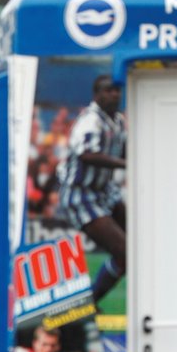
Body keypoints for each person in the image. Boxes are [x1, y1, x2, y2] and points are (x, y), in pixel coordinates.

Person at [57, 75, 127, 304]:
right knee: (124, 250)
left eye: (117, 90)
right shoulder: (90, 121)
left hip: (105, 190)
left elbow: (124, 151)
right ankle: (90, 301)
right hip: (81, 193)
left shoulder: (117, 121)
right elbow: (87, 155)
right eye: (109, 90)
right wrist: (124, 164)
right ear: (97, 95)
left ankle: (95, 298)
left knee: (138, 245)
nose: (114, 94)